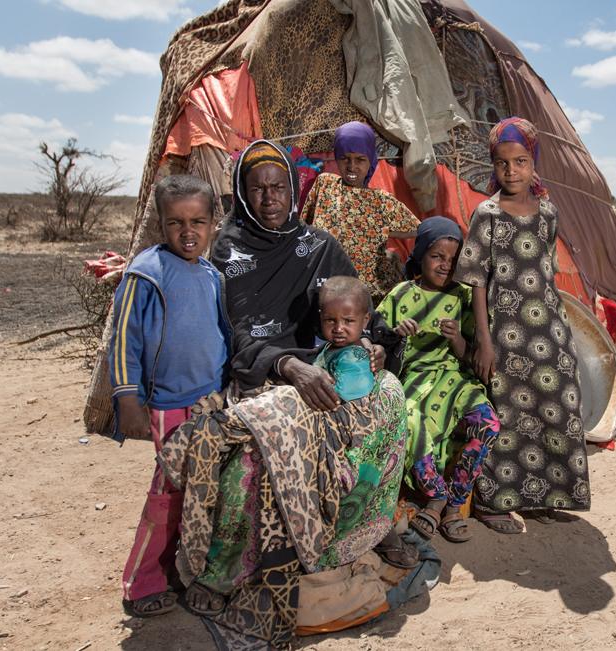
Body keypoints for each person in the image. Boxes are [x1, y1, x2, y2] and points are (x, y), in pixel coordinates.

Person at [172, 140, 415, 646]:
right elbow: (231, 333)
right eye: (256, 189)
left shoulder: (319, 246)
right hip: (262, 373)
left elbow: (353, 309)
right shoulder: (226, 251)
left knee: (390, 396)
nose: (269, 198)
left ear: (293, 186)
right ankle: (223, 573)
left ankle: (365, 526)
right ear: (241, 193)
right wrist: (286, 366)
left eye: (278, 186)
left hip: (324, 365)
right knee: (262, 444)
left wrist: (368, 345)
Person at [453, 117, 591, 534]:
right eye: (502, 163)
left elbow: (545, 269)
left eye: (520, 161)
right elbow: (477, 280)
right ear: (492, 166)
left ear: (534, 164)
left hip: (549, 329)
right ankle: (494, 502)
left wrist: (560, 331)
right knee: (510, 413)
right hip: (505, 331)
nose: (511, 171)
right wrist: (484, 341)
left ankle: (548, 496)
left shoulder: (548, 212)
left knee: (559, 404)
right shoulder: (487, 214)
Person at [109, 174, 231, 617]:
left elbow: (220, 334)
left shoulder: (212, 274)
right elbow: (123, 339)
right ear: (161, 224)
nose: (188, 231)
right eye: (176, 222)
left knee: (204, 492)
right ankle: (141, 582)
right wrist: (128, 399)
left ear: (213, 223)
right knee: (168, 494)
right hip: (167, 404)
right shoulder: (147, 272)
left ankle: (187, 570)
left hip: (210, 402)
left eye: (198, 221)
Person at [377, 217, 500, 543]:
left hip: (456, 379)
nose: (446, 265)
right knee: (411, 421)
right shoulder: (402, 294)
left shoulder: (463, 297)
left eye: (453, 259)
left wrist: (458, 339)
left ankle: (457, 499)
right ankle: (437, 495)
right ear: (419, 254)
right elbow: (377, 342)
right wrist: (396, 336)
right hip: (416, 379)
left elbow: (472, 356)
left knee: (487, 423)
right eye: (437, 256)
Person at [301, 121, 420, 300]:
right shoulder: (325, 185)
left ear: (371, 159)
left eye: (360, 159)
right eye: (344, 158)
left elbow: (420, 229)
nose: (351, 166)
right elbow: (304, 228)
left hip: (366, 295)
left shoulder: (381, 201)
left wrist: (388, 250)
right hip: (326, 288)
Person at [314, 276, 376, 402]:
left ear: (365, 320)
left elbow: (343, 395)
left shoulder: (353, 357)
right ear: (321, 317)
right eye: (330, 320)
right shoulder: (331, 347)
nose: (338, 328)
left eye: (348, 321)